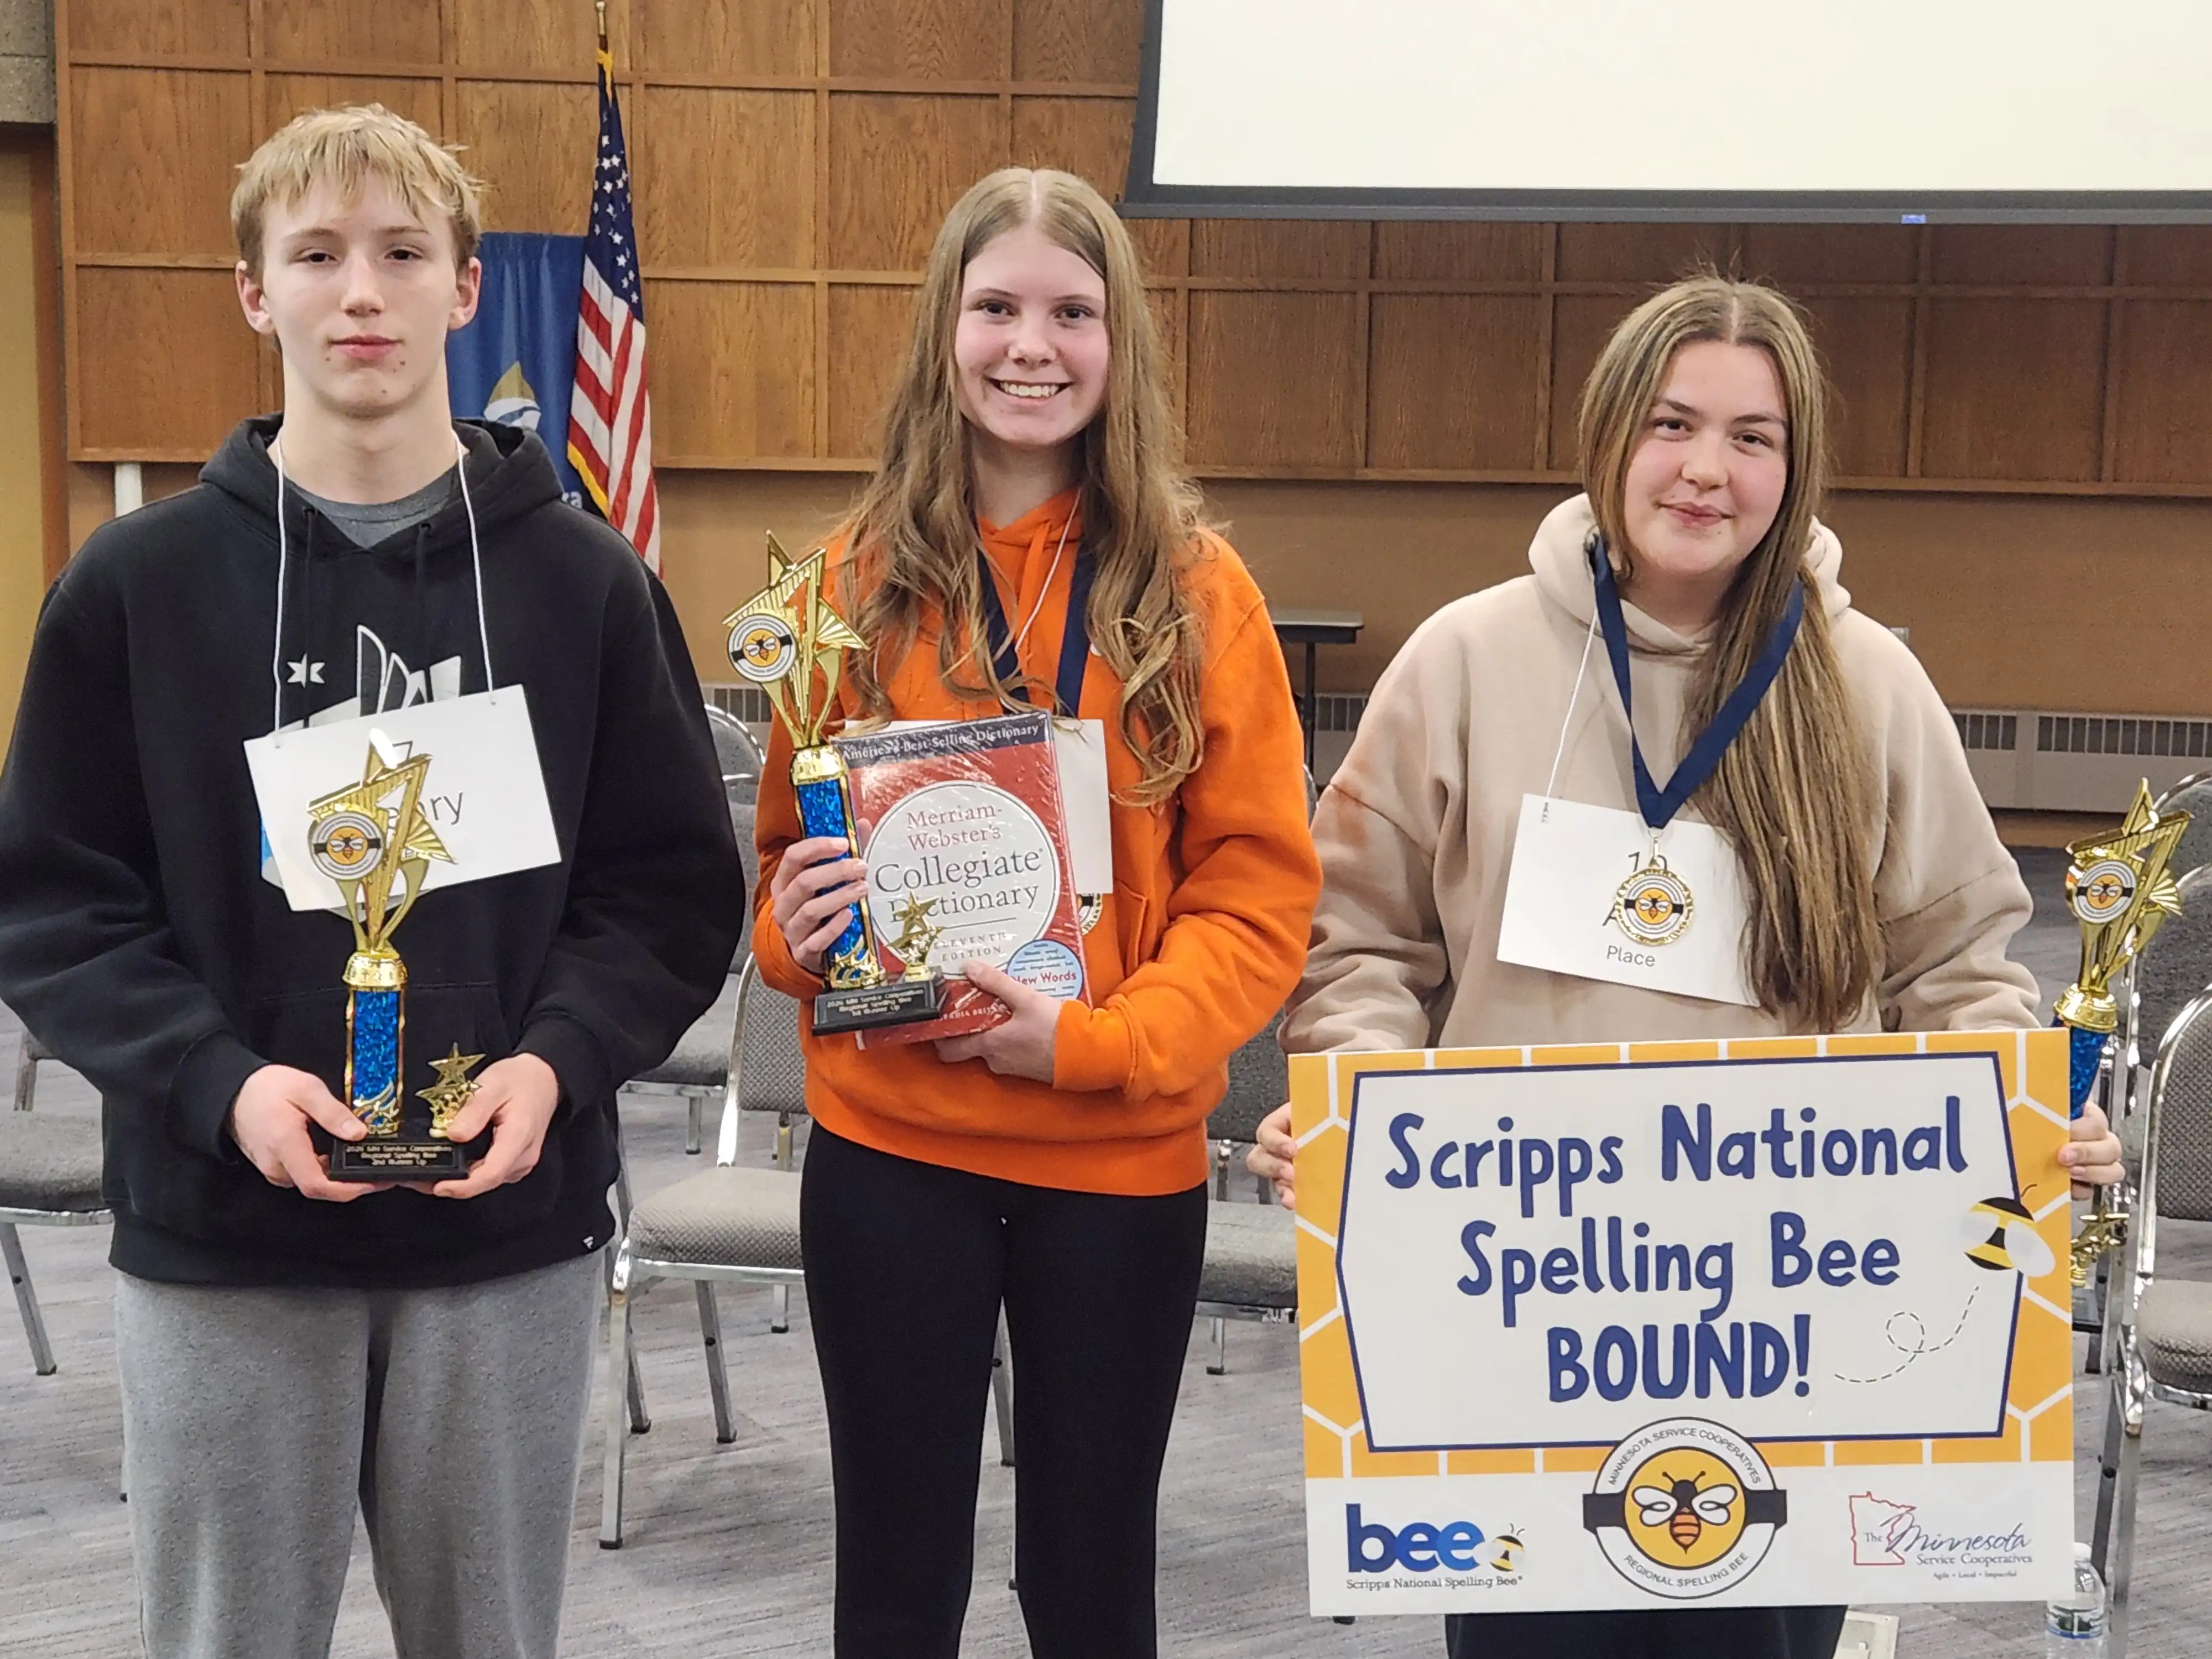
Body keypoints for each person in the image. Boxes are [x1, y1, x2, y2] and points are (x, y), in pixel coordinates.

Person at [1246, 275, 2125, 1659]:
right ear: (1607, 433)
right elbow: (1356, 939)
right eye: (1670, 423)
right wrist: (1360, 1109)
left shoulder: (1868, 681)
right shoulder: (1464, 660)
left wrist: (2021, 1128)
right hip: (1516, 1296)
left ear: (1796, 463)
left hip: (1790, 1322)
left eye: (1752, 436)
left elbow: (1958, 965)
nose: (1706, 469)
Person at [0, 106, 743, 1659]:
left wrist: (554, 1066)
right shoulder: (133, 587)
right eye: (317, 255)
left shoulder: (587, 582)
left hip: (505, 1231)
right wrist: (218, 1086)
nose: (362, 293)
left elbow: (668, 890)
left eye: (404, 254)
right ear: (253, 294)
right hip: (223, 1235)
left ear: (467, 291)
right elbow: (59, 902)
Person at [751, 166, 1321, 1658]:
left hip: (1116, 1165)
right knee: (891, 1578)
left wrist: (1093, 1043)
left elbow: (1255, 899)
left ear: (1117, 343)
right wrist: (797, 936)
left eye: (1072, 312)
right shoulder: (843, 589)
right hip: (891, 1157)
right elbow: (776, 877)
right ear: (945, 328)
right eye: (996, 306)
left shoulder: (1202, 596)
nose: (1030, 344)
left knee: (1089, 1583)